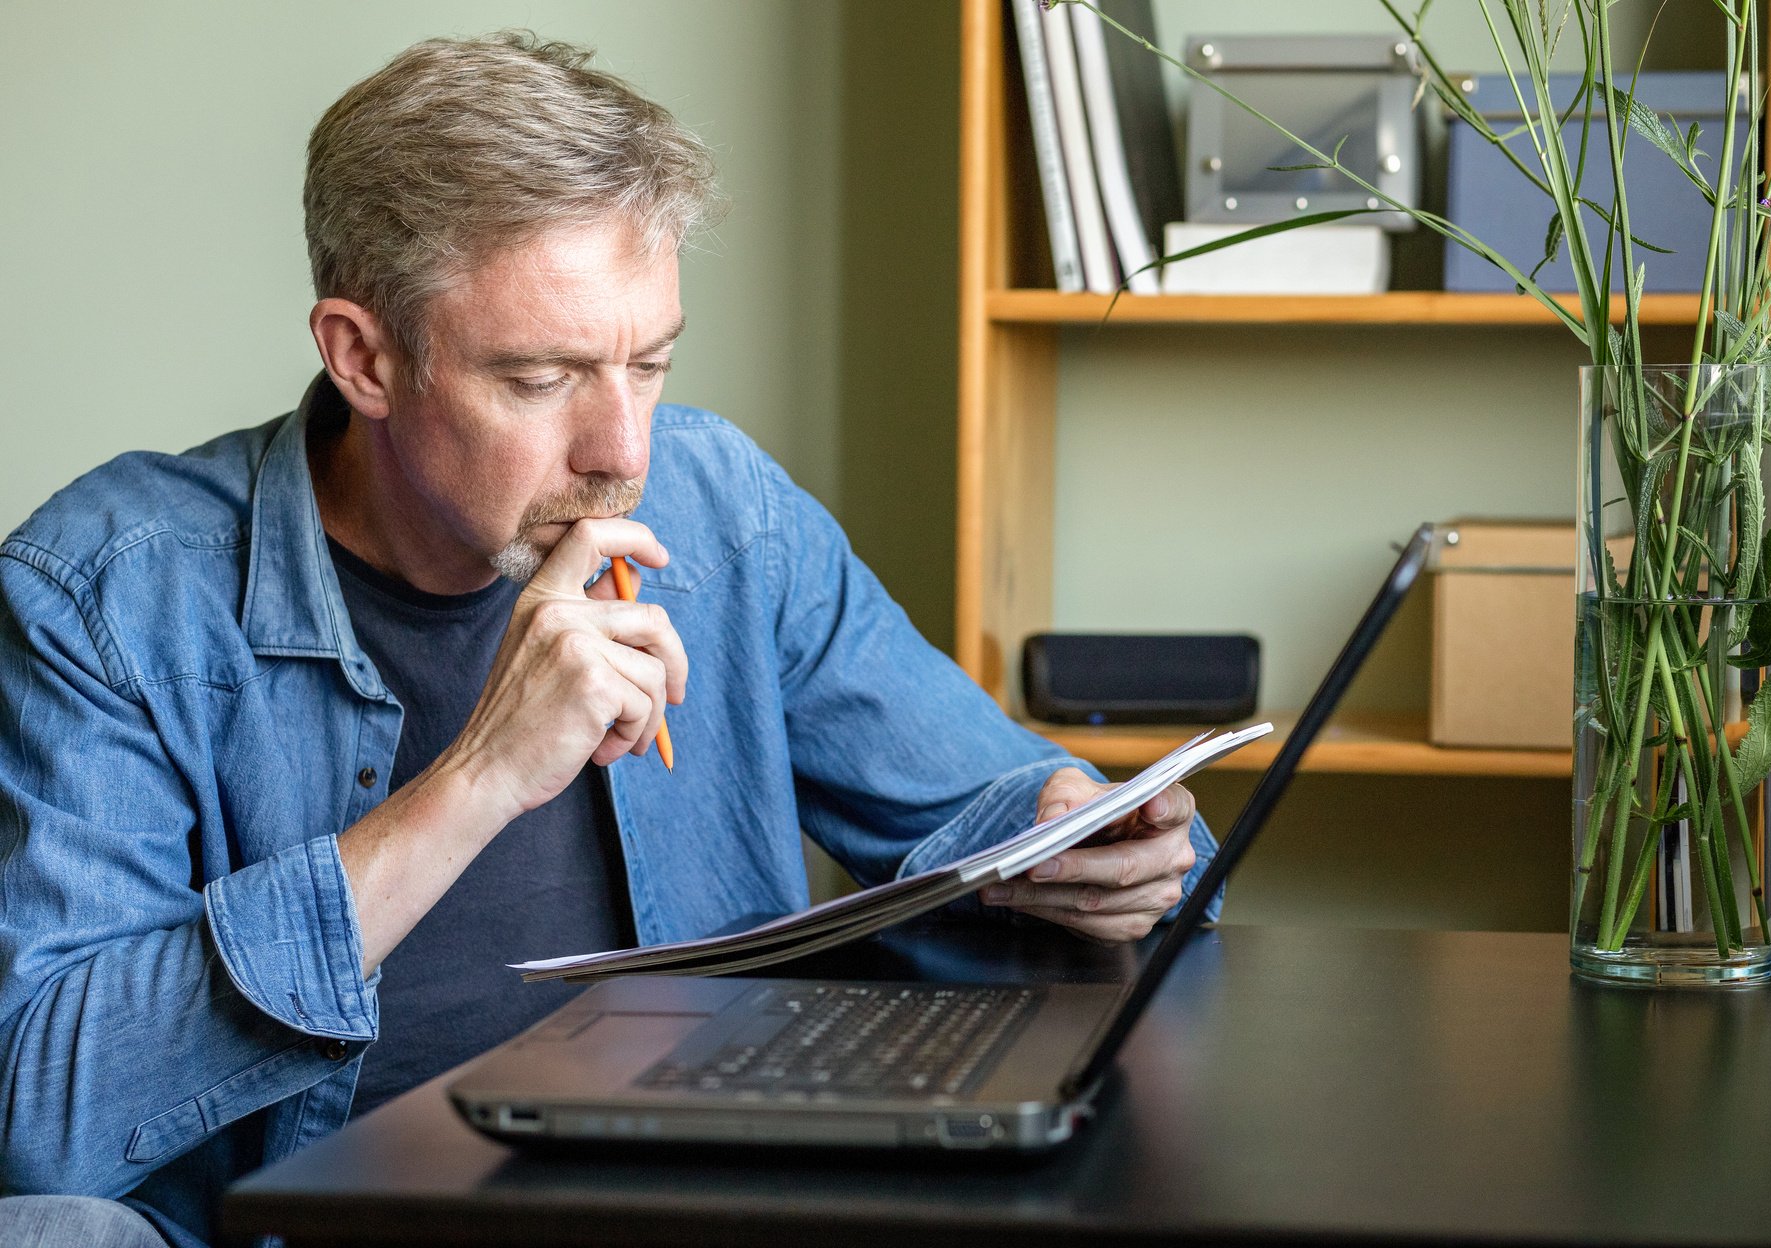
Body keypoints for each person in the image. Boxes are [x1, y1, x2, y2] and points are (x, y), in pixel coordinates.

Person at [0, 32, 1220, 1248]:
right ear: (364, 357)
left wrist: (1096, 840)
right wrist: (477, 782)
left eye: (650, 364)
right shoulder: (108, 594)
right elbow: (41, 1123)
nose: (623, 453)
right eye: (543, 380)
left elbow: (1002, 801)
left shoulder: (723, 512)